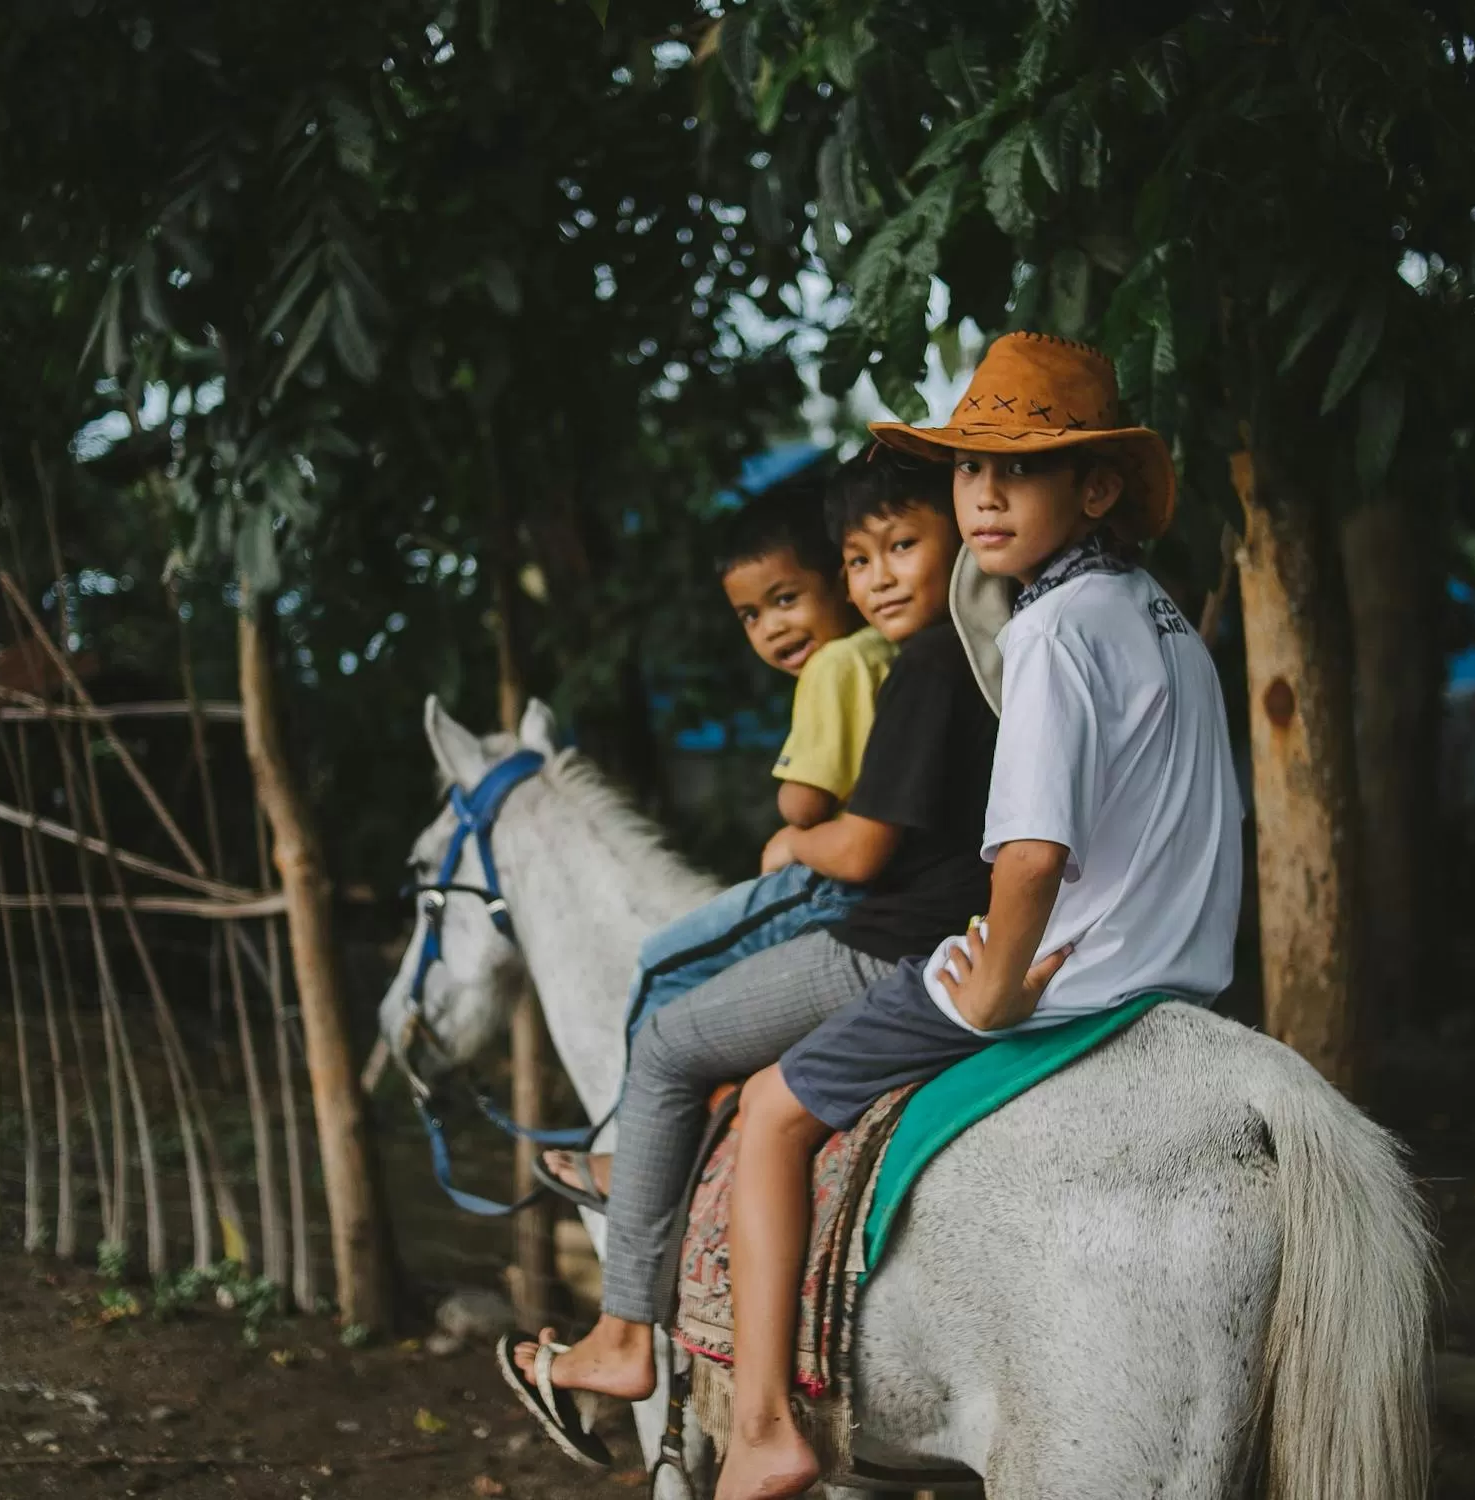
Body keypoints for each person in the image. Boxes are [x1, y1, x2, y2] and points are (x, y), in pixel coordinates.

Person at [712, 332, 1246, 1500]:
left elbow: (1034, 853)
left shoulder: (1049, 629)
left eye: (1020, 470)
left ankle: (759, 1426)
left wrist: (995, 984)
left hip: (1080, 982)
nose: (985, 495)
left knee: (769, 1109)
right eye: (967, 470)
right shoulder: (1150, 612)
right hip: (1185, 978)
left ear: (1095, 487)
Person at [500, 449, 1001, 1470]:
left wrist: (795, 843)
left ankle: (623, 1335)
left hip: (895, 942)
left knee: (671, 1033)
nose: (881, 578)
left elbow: (856, 846)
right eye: (862, 559)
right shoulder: (973, 654)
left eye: (900, 549)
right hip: (937, 921)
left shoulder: (928, 667)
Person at [532, 477, 892, 1207]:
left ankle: (634, 1159)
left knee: (661, 965)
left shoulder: (836, 665)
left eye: (786, 599)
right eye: (751, 615)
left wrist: (794, 832)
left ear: (841, 582)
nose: (771, 629)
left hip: (837, 888)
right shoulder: (890, 651)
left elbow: (804, 797)